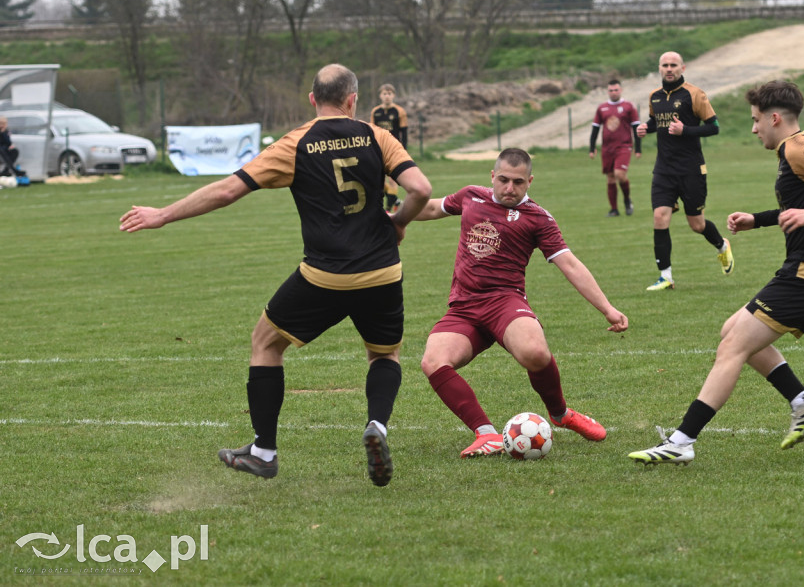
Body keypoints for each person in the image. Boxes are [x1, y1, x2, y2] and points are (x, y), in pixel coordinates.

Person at [119, 64, 432, 486]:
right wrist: (398, 222)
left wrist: (163, 214)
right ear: (354, 99)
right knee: (383, 355)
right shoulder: (378, 136)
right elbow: (422, 189)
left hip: (325, 275)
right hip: (382, 272)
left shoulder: (295, 143)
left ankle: (264, 451)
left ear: (312, 99)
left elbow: (228, 190)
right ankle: (377, 425)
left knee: (265, 342)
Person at [628, 80, 804, 466]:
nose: (754, 128)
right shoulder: (791, 153)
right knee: (731, 331)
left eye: (757, 120)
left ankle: (681, 441)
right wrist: (757, 220)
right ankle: (802, 401)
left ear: (775, 118)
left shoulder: (798, 147)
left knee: (733, 347)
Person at [415, 147, 629, 458]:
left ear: (530, 181)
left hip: (505, 302)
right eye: (503, 180)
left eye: (518, 182)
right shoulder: (471, 196)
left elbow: (569, 263)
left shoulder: (537, 218)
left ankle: (560, 414)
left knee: (535, 352)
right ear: (492, 176)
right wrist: (390, 218)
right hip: (464, 307)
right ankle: (485, 434)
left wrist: (608, 309)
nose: (509, 188)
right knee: (432, 362)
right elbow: (433, 208)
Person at [636, 51, 733, 291]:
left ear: (683, 68)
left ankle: (722, 246)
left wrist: (686, 131)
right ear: (659, 68)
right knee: (660, 218)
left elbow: (714, 127)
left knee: (697, 225)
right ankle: (666, 276)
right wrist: (644, 128)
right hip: (664, 169)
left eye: (673, 65)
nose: (669, 69)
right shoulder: (654, 97)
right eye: (665, 65)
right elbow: (656, 122)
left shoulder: (695, 94)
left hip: (691, 170)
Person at [590, 79, 641, 217]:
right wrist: (592, 147)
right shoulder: (602, 108)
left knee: (620, 174)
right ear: (608, 91)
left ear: (621, 90)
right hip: (607, 148)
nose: (613, 93)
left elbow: (636, 127)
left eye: (616, 90)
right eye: (611, 90)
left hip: (624, 146)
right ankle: (614, 209)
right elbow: (595, 128)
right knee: (611, 178)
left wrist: (638, 148)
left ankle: (627, 199)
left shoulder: (628, 106)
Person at [371, 83, 409, 213]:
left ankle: (387, 209)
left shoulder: (399, 111)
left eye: (389, 93)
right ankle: (396, 201)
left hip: (393, 150)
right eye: (384, 94)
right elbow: (372, 132)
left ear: (393, 95)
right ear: (380, 96)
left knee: (392, 180)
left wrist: (403, 150)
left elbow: (404, 132)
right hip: (379, 150)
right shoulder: (375, 112)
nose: (387, 96)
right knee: (377, 181)